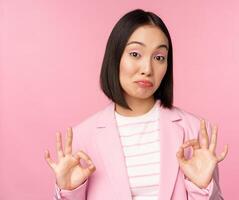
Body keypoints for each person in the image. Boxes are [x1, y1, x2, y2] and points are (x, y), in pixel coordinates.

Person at [44, 8, 228, 200]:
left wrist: (202, 188)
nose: (147, 69)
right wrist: (68, 192)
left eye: (159, 58)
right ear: (115, 58)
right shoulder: (82, 137)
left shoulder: (195, 131)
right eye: (135, 54)